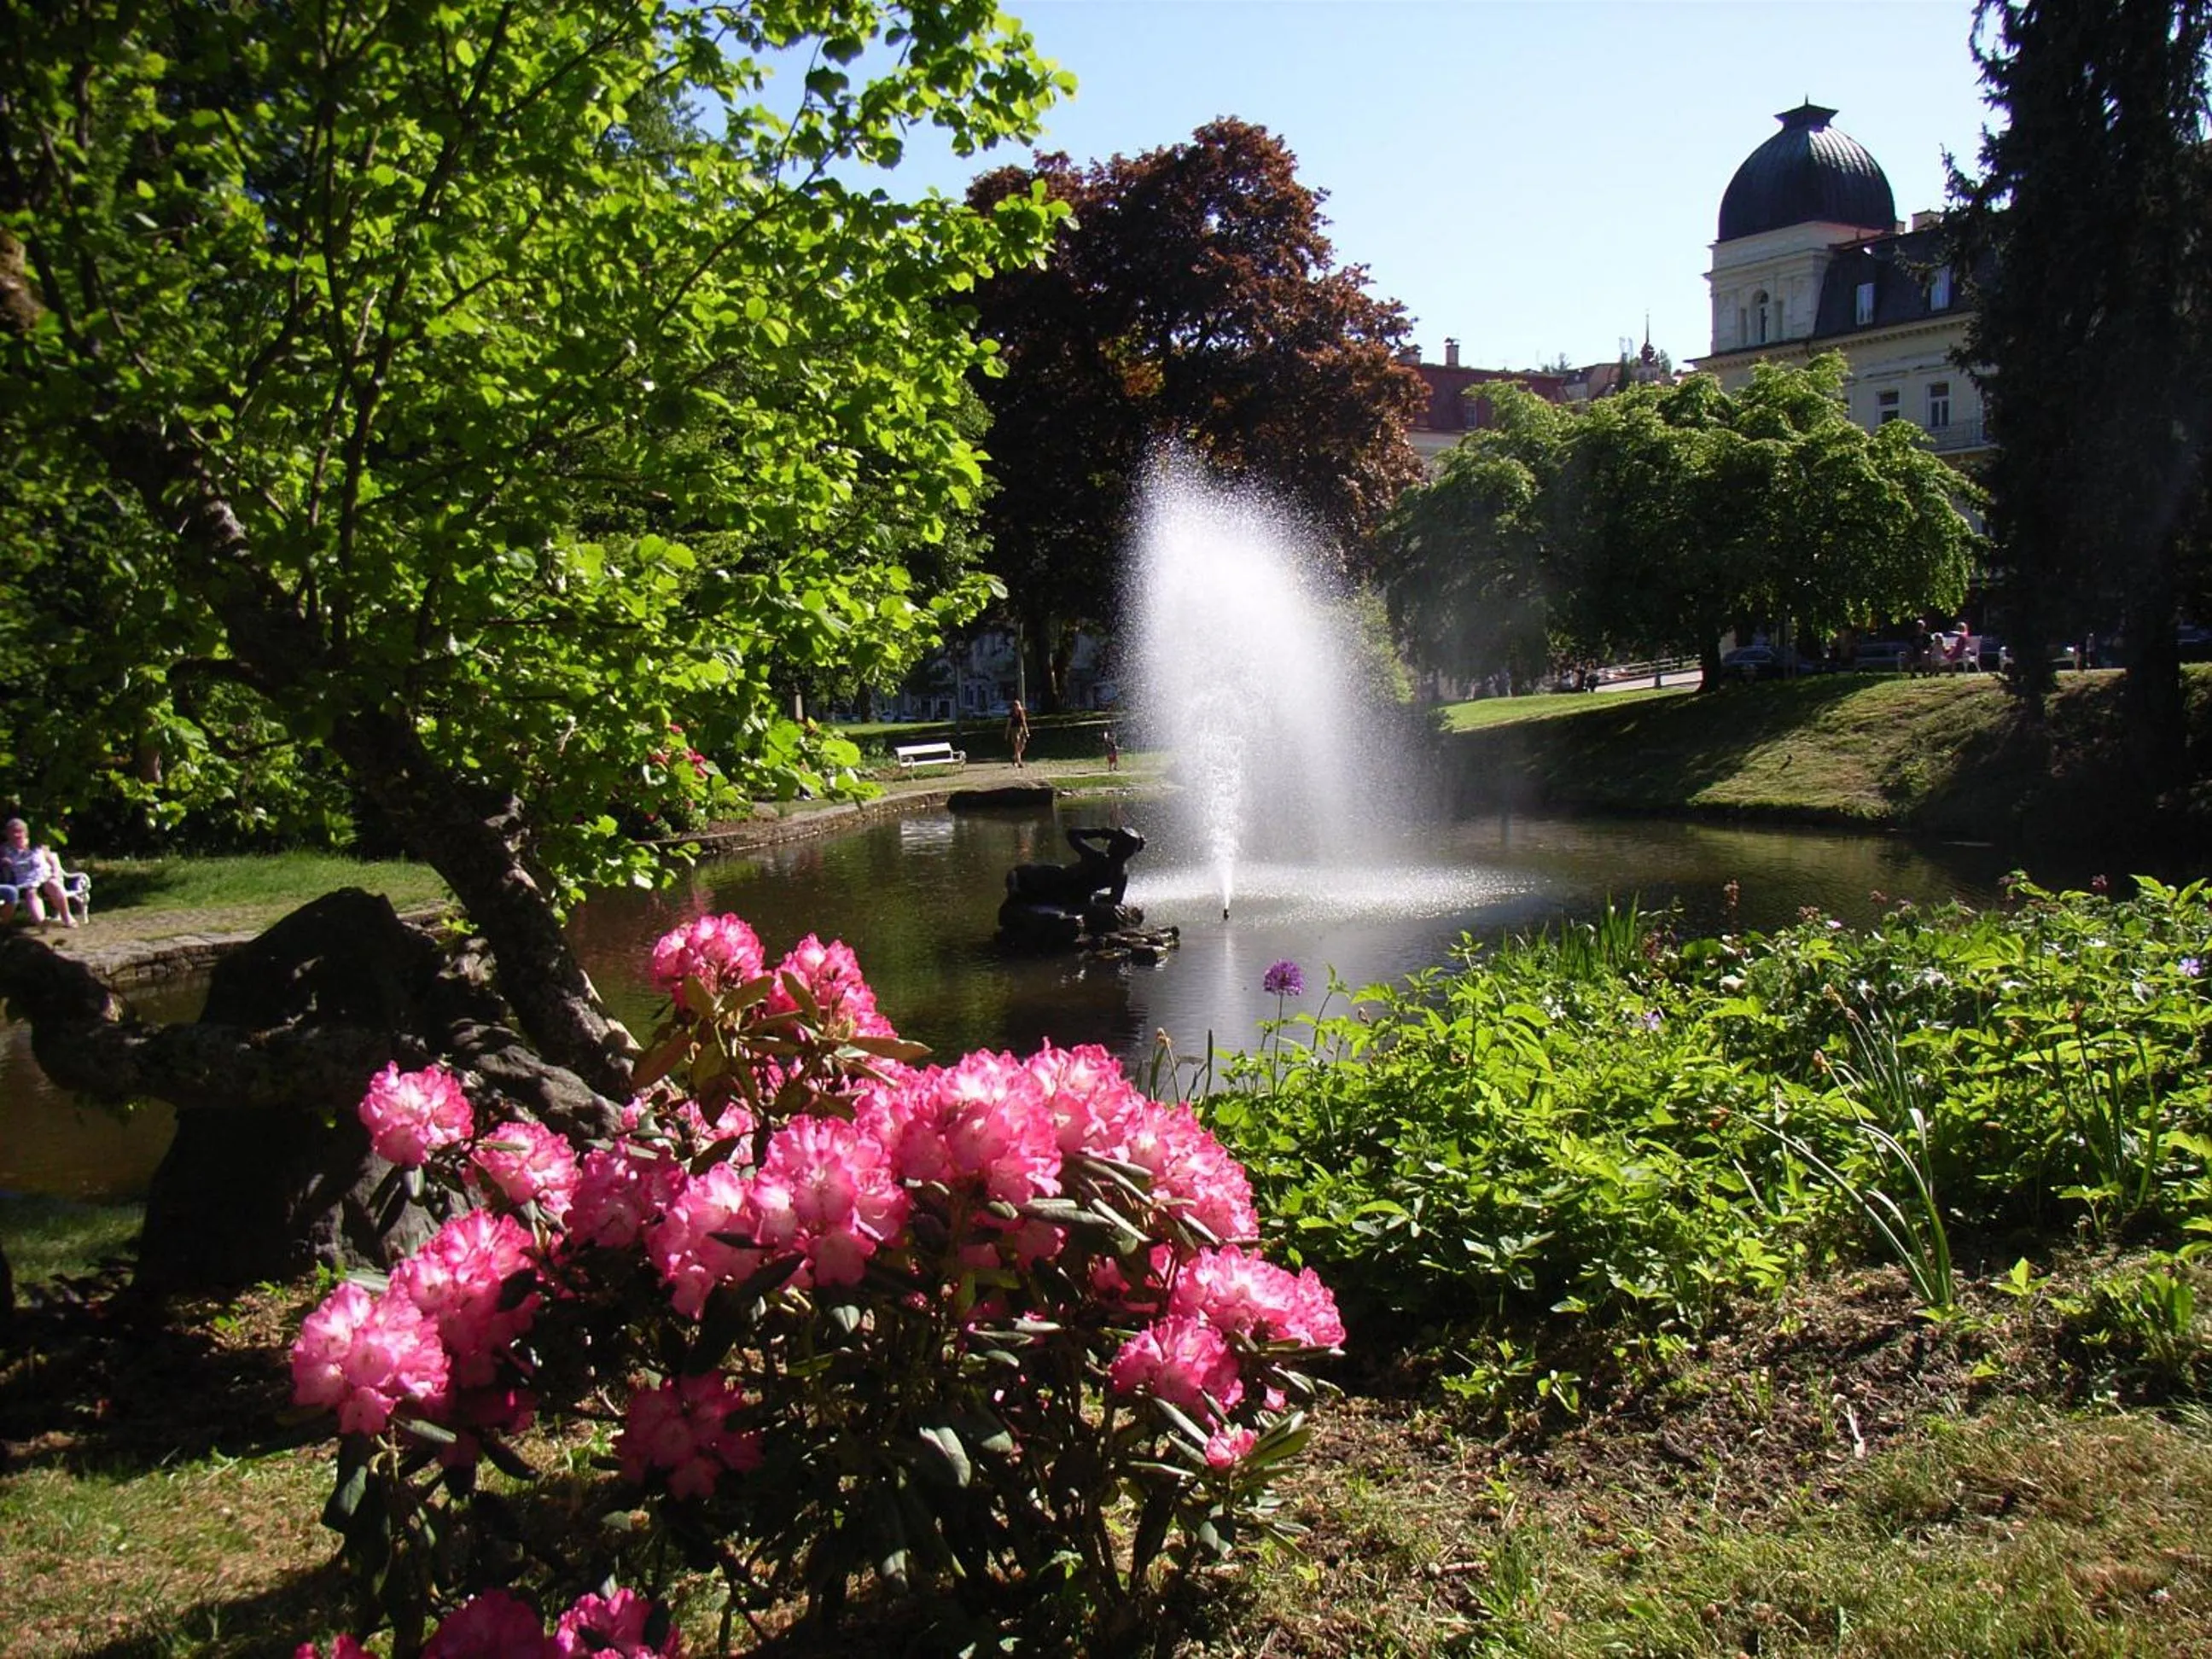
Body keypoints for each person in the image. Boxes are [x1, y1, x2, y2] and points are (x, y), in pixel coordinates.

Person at [0, 817, 76, 928]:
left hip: (44, 877)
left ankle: (67, 917)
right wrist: (3, 861)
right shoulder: (4, 849)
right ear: (7, 834)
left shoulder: (37, 845)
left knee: (53, 885)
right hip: (24, 882)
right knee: (31, 893)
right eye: (12, 832)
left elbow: (52, 860)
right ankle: (42, 923)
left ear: (25, 832)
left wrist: (55, 874)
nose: (16, 835)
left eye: (19, 831)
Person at [1005, 699, 1030, 768]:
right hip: (1014, 730)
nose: (1017, 707)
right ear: (1014, 707)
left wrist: (1027, 732)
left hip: (1021, 729)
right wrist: (1007, 733)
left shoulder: (1022, 712)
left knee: (1022, 746)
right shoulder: (1012, 714)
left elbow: (1024, 722)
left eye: (1018, 705)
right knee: (1017, 746)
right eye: (1016, 705)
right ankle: (1019, 762)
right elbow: (1008, 724)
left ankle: (1014, 757)